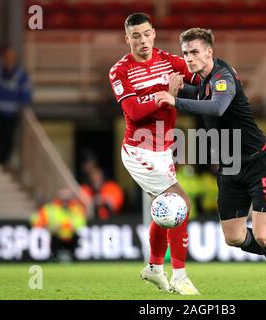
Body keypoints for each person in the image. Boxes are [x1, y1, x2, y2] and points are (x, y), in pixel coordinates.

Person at [155, 28, 266, 295]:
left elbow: (217, 106)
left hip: (258, 162)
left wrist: (175, 99)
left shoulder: (223, 77)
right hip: (229, 164)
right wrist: (184, 89)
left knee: (263, 235)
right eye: (185, 53)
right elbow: (202, 96)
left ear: (209, 52)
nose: (189, 58)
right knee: (234, 238)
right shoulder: (205, 80)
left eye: (195, 52)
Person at [108, 13, 200, 295]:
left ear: (154, 33)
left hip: (163, 151)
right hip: (138, 150)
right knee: (180, 204)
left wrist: (224, 79)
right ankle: (180, 276)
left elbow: (199, 75)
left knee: (166, 213)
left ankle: (154, 268)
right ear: (127, 39)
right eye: (136, 36)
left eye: (146, 34)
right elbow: (133, 111)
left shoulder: (168, 61)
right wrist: (166, 93)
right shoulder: (119, 71)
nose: (142, 40)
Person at [0, 46, 32, 164]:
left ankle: (1, 162)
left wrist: (22, 104)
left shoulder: (21, 75)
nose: (8, 59)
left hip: (10, 113)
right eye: (6, 56)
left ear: (14, 58)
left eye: (10, 56)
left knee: (7, 141)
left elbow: (26, 92)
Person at [30, 188, 86, 262]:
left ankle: (74, 259)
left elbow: (81, 221)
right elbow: (35, 219)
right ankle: (54, 259)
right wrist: (46, 226)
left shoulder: (76, 208)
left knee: (77, 238)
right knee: (53, 242)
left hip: (71, 237)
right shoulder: (50, 208)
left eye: (67, 198)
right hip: (56, 236)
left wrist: (70, 225)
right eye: (63, 198)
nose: (65, 201)